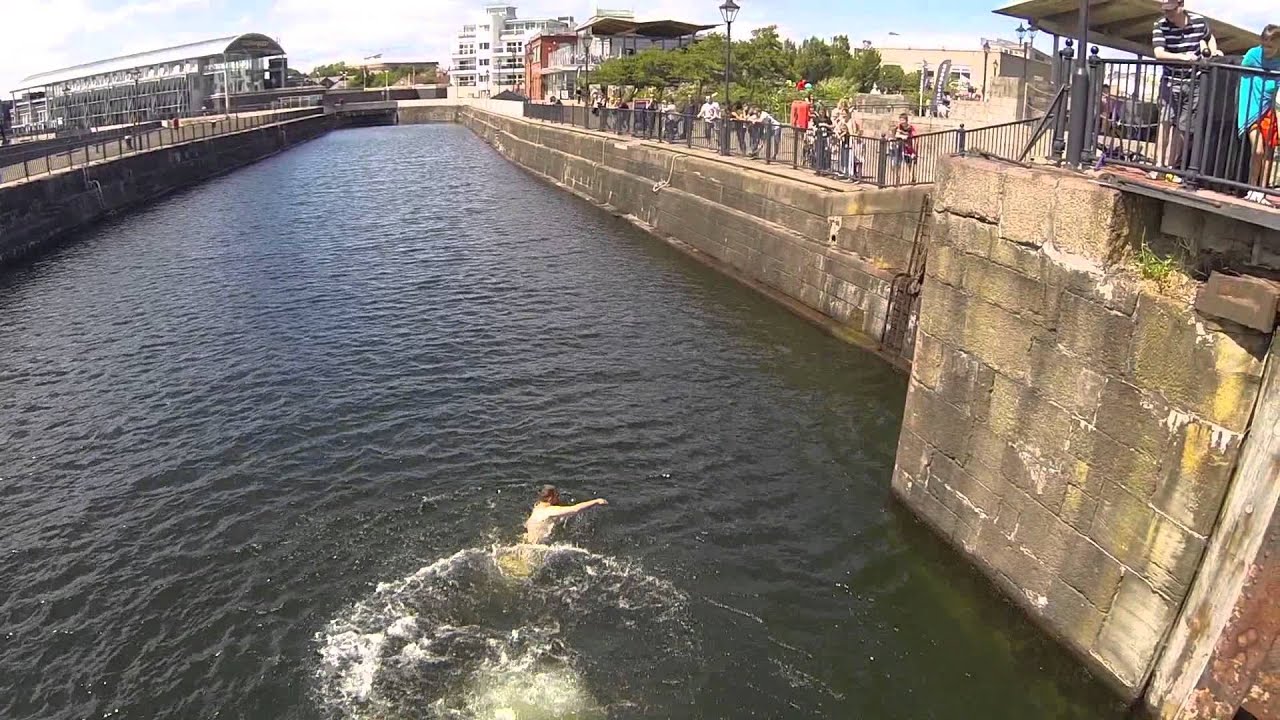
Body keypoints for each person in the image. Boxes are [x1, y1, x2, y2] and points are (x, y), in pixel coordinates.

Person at [1152, 0, 1221, 180]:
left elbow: (1209, 37)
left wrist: (1213, 53)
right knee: (1165, 123)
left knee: (1183, 128)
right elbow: (1159, 53)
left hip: (1194, 82)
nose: (1168, 15)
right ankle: (1158, 164)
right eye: (1166, 11)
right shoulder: (1160, 25)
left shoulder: (1199, 21)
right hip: (1170, 80)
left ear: (1181, 5)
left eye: (1172, 10)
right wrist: (1183, 58)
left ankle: (1169, 166)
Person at [1237, 24, 1280, 206]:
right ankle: (1252, 187)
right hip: (1250, 108)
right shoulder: (1252, 56)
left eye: (1271, 45)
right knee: (1258, 149)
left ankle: (1261, 191)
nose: (1266, 49)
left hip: (1268, 109)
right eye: (1264, 44)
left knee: (1269, 151)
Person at [523, 485, 608, 544]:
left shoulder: (537, 506)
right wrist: (596, 501)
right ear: (550, 498)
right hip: (536, 547)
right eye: (557, 495)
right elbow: (575, 509)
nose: (558, 497)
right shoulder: (550, 511)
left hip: (526, 542)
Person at [891, 112, 917, 184]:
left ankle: (912, 178)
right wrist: (902, 136)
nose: (901, 122)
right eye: (900, 120)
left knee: (911, 164)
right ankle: (898, 179)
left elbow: (914, 138)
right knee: (901, 163)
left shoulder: (911, 128)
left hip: (910, 147)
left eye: (903, 120)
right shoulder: (899, 126)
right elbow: (897, 134)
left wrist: (914, 151)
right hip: (903, 147)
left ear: (906, 120)